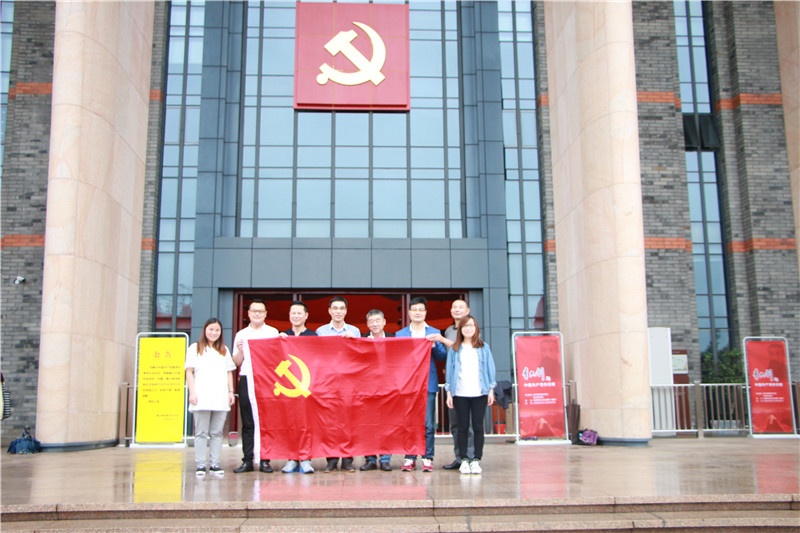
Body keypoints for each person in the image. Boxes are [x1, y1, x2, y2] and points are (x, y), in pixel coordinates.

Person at [395, 296, 447, 472]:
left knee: (428, 424)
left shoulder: (434, 332)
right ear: (409, 312)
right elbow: (397, 359)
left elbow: (443, 357)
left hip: (428, 383)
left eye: (421, 310)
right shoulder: (401, 334)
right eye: (414, 309)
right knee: (409, 423)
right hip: (408, 385)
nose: (417, 313)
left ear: (425, 312)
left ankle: (427, 457)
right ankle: (409, 457)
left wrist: (435, 345)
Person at [231, 299, 280, 474]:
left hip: (266, 380)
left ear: (265, 314)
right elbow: (237, 362)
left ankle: (265, 460)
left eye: (260, 311)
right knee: (248, 421)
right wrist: (241, 350)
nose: (257, 314)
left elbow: (277, 357)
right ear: (249, 313)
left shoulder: (272, 332)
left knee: (266, 421)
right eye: (254, 311)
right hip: (247, 378)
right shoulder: (241, 334)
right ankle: (248, 460)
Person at [444, 315, 496, 475]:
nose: (468, 329)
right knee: (462, 427)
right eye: (465, 326)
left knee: (478, 427)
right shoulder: (455, 349)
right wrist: (449, 393)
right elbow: (450, 371)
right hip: (460, 393)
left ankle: (476, 460)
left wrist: (491, 389)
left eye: (471, 325)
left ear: (476, 328)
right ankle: (464, 459)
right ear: (460, 329)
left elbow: (490, 369)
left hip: (480, 392)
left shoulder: (483, 347)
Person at [185, 318, 237, 476]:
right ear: (205, 330)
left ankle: (215, 463)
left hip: (220, 396)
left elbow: (229, 372)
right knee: (201, 432)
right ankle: (201, 464)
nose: (214, 333)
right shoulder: (195, 348)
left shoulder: (224, 350)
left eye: (217, 330)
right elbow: (189, 371)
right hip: (201, 395)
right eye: (211, 329)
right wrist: (192, 392)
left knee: (217, 433)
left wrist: (230, 391)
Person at [315, 296, 360, 472]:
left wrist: (354, 341)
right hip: (328, 383)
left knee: (349, 422)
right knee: (330, 422)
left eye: (341, 308)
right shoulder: (321, 331)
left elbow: (360, 355)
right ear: (329, 310)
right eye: (335, 308)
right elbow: (317, 356)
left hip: (349, 382)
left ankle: (348, 460)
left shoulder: (354, 331)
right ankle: (331, 459)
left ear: (346, 311)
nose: (338, 311)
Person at [436, 299, 475, 470]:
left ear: (468, 310)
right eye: (454, 307)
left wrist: (443, 340)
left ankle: (472, 458)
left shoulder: (471, 329)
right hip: (453, 383)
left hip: (469, 383)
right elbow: (449, 355)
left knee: (469, 424)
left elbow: (465, 349)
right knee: (455, 424)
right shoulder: (449, 330)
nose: (457, 310)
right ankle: (460, 458)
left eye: (460, 307)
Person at [279, 300, 316, 474]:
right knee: (290, 424)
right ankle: (292, 459)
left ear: (306, 315)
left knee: (307, 424)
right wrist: (277, 342)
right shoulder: (282, 337)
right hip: (288, 390)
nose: (296, 316)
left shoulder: (313, 337)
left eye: (299, 313)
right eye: (293, 313)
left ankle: (306, 459)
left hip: (307, 388)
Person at [360, 309, 394, 472]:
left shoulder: (394, 340)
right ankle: (370, 459)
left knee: (387, 425)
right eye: (371, 321)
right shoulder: (362, 341)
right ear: (367, 324)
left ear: (384, 322)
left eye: (377, 320)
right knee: (368, 426)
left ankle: (385, 459)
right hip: (367, 390)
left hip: (389, 389)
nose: (374, 324)